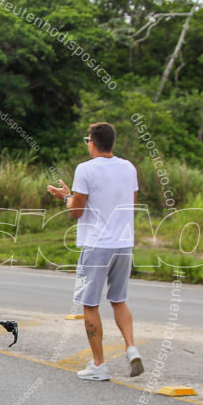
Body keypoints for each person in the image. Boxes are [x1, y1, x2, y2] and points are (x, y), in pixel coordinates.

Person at [47, 122, 143, 381]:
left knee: (90, 304)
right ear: (112, 142)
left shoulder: (85, 169)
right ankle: (131, 347)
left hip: (96, 245)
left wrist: (65, 197)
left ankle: (99, 364)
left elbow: (77, 211)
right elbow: (130, 204)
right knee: (119, 300)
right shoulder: (128, 167)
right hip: (124, 243)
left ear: (92, 142)